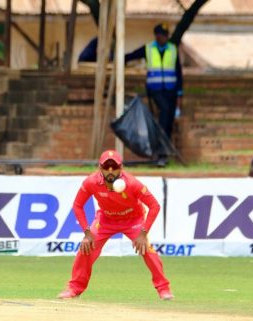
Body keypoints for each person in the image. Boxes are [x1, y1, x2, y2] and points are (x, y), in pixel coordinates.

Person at [57, 150, 173, 300]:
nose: (110, 171)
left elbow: (154, 206)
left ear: (121, 168)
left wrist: (143, 233)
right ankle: (74, 288)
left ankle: (163, 289)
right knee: (85, 247)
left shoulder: (132, 184)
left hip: (133, 220)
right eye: (106, 167)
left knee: (147, 250)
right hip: (106, 219)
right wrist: (87, 233)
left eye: (114, 167)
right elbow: (77, 205)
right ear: (100, 168)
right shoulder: (91, 182)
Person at [125, 23, 183, 166]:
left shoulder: (173, 49)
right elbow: (132, 55)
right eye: (160, 35)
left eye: (165, 35)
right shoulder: (149, 49)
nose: (162, 38)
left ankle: (163, 153)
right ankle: (160, 151)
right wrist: (118, 58)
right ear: (156, 35)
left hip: (171, 89)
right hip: (155, 89)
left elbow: (179, 73)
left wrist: (180, 93)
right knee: (164, 111)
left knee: (168, 118)